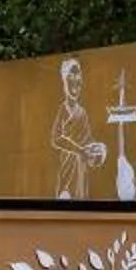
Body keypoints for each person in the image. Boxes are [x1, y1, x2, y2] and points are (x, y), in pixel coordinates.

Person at [50, 57, 107, 198]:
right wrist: (80, 150)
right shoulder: (62, 109)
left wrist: (98, 149)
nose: (76, 80)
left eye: (78, 75)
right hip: (67, 171)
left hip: (81, 173)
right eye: (71, 75)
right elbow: (56, 139)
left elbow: (88, 140)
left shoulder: (82, 112)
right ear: (64, 80)